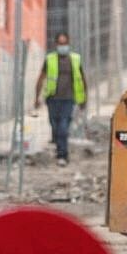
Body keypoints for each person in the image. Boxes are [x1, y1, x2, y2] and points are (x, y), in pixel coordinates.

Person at [33, 31, 87, 167]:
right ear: (56, 44)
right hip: (52, 99)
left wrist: (84, 99)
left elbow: (82, 78)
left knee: (63, 127)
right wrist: (37, 97)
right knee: (55, 127)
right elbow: (41, 77)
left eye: (65, 43)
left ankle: (63, 155)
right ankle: (59, 149)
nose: (62, 46)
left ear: (68, 44)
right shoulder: (50, 59)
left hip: (68, 99)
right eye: (60, 43)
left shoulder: (75, 59)